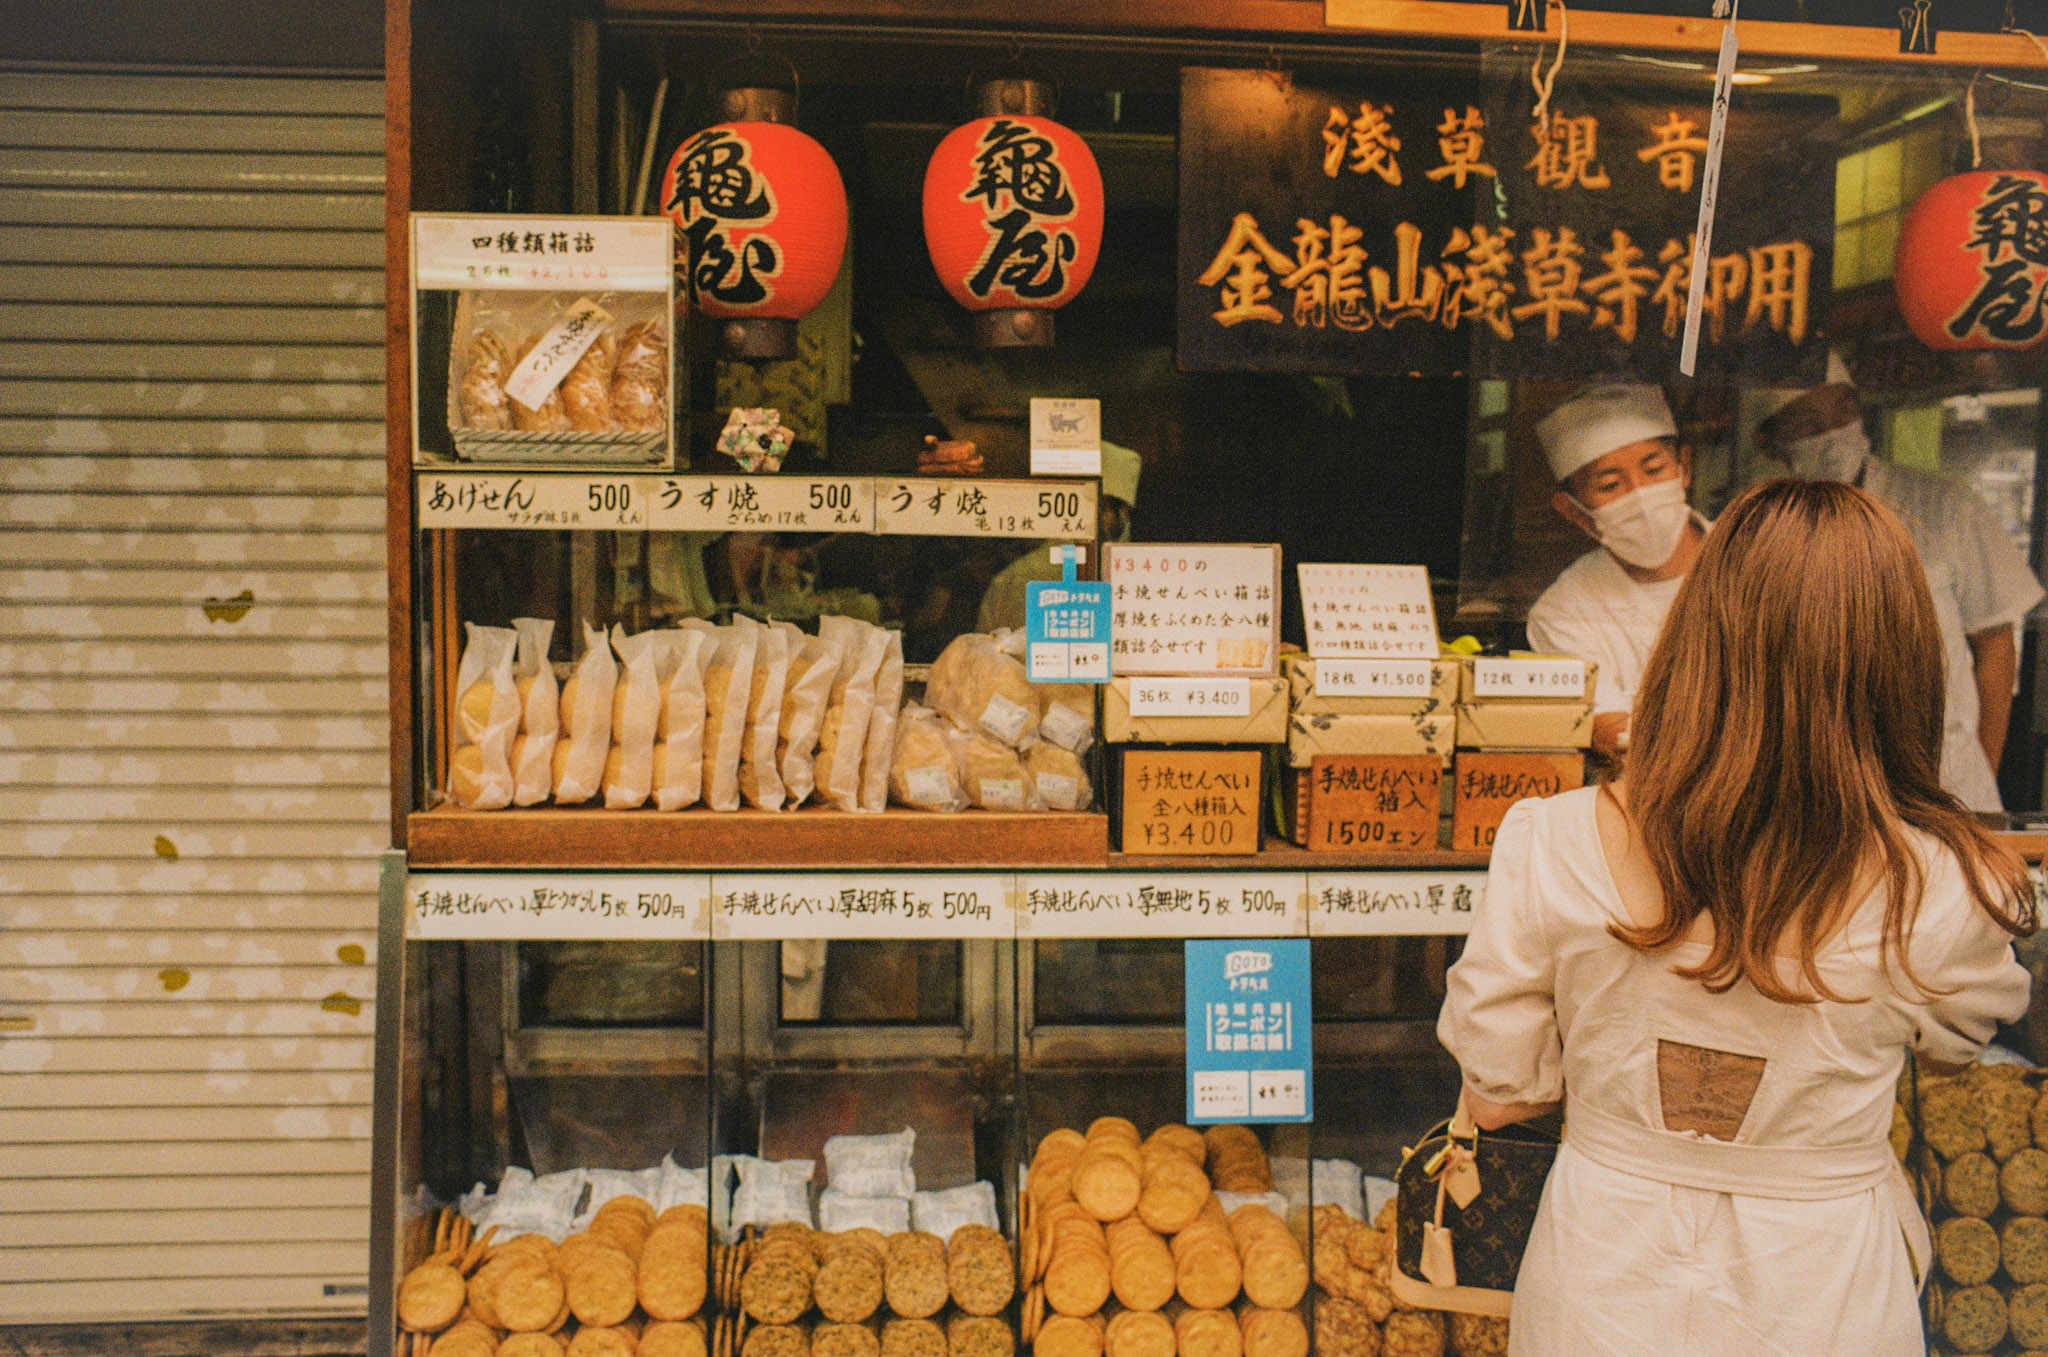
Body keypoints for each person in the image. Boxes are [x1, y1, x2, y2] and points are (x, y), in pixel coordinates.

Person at [1439, 480, 2035, 1356]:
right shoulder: (1950, 883)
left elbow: (1499, 1095)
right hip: (1826, 1288)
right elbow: (1954, 1043)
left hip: (1602, 1280)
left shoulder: (1549, 838)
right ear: (1903, 661)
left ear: (1696, 634)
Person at [1757, 352, 2044, 811]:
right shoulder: (1763, 532)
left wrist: (1979, 771)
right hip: (1823, 792)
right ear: (1770, 443)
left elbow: (1995, 645)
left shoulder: (1945, 506)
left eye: (1841, 412)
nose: (1832, 433)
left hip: (1948, 780)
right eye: (1809, 423)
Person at [1524, 384, 1707, 758]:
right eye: (1610, 485)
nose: (1640, 494)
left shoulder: (1757, 563)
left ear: (1684, 468)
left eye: (1654, 469)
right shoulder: (1562, 612)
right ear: (1574, 511)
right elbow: (1611, 732)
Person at [976, 439, 1141, 634]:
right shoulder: (1126, 583)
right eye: (1121, 510)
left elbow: (984, 656)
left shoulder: (1010, 578)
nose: (1125, 520)